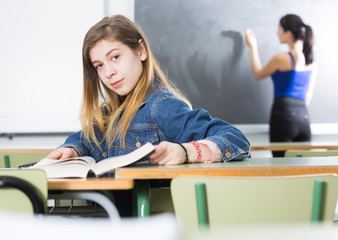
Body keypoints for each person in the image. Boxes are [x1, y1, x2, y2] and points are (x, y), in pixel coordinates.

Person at [47, 15, 250, 216]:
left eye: (115, 57)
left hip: (149, 226)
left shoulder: (162, 106)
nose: (108, 72)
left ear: (141, 50)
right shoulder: (108, 113)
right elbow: (86, 139)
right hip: (117, 223)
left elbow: (235, 138)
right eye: (99, 65)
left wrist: (185, 151)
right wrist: (72, 149)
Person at [244, 14, 317, 157]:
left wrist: (252, 47)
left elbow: (258, 73)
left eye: (279, 29)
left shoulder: (281, 59)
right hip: (304, 117)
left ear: (288, 33)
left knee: (281, 165)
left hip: (283, 116)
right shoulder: (312, 64)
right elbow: (308, 97)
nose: (277, 33)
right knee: (304, 168)